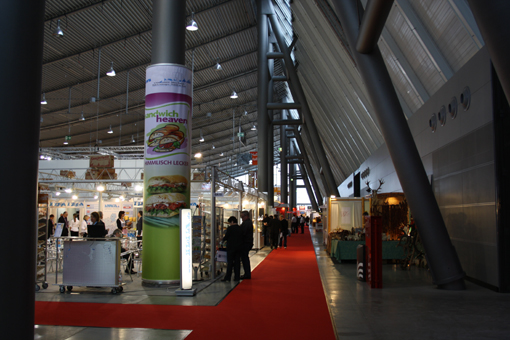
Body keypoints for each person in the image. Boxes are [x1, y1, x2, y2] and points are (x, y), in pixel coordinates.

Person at [221, 216, 243, 282]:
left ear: (232, 222)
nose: (230, 224)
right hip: (238, 248)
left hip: (231, 248)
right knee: (237, 262)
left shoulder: (230, 228)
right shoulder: (240, 228)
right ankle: (237, 277)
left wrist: (222, 240)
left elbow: (226, 237)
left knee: (230, 263)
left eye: (230, 222)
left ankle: (228, 277)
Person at [239, 211, 253, 279]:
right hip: (247, 242)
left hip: (246, 243)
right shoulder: (247, 222)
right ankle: (247, 273)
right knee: (245, 258)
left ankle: (247, 274)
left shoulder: (247, 223)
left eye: (242, 217)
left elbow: (243, 232)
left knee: (245, 258)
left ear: (246, 216)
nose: (242, 218)